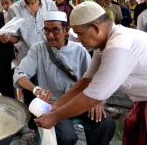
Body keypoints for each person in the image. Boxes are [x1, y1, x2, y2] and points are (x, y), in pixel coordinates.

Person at [35, 1, 147, 145]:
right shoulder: (105, 43)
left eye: (80, 34)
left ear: (95, 28)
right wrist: (55, 105)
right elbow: (86, 81)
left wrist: (54, 117)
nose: (79, 40)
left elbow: (93, 97)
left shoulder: (118, 46)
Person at [14, 11, 115, 145]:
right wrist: (36, 89)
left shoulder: (79, 50)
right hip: (53, 105)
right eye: (46, 30)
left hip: (79, 101)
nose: (50, 35)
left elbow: (93, 79)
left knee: (105, 124)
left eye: (55, 30)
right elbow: (19, 74)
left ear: (66, 30)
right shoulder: (38, 49)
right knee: (66, 136)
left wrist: (96, 102)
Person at [0, 0, 57, 129]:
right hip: (28, 60)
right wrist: (7, 39)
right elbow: (15, 37)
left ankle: (52, 127)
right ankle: (34, 130)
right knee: (31, 98)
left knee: (50, 95)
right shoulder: (14, 10)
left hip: (51, 59)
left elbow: (57, 29)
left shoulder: (50, 5)